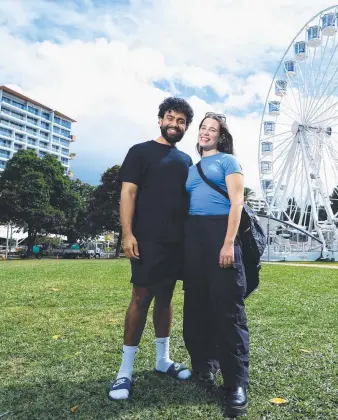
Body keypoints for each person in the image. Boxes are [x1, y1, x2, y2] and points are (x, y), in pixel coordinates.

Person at [108, 97, 194, 401]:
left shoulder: (185, 161)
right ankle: (124, 371)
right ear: (160, 120)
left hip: (176, 242)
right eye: (170, 118)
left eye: (181, 121)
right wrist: (128, 234)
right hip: (146, 239)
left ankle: (162, 360)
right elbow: (128, 194)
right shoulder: (139, 152)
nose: (175, 124)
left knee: (166, 297)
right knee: (141, 297)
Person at [183, 112, 250, 417]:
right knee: (196, 308)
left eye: (212, 129)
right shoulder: (192, 168)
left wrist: (227, 242)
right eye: (203, 128)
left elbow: (237, 202)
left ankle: (236, 383)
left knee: (228, 311)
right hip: (194, 239)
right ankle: (203, 368)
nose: (206, 132)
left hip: (221, 234)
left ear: (221, 136)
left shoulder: (228, 162)